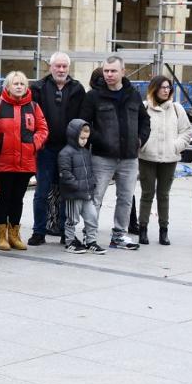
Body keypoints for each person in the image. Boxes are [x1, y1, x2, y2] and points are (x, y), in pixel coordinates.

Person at [79, 55, 149, 250]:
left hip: (129, 157)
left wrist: (140, 140)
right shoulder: (93, 96)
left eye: (113, 71)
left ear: (123, 72)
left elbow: (145, 120)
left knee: (126, 198)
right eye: (106, 71)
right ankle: (89, 236)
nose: (109, 75)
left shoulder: (133, 94)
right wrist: (99, 139)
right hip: (102, 157)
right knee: (96, 198)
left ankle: (119, 235)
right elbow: (84, 124)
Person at [0, 71, 48, 251]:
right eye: (15, 83)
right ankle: (1, 235)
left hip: (26, 161)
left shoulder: (34, 107)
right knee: (5, 196)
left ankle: (14, 234)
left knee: (18, 198)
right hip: (3, 160)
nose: (19, 86)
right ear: (8, 86)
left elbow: (43, 129)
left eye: (22, 83)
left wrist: (33, 145)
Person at [29, 52, 85, 246]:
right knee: (42, 191)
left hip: (69, 149)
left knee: (67, 192)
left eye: (64, 66)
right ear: (50, 67)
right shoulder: (38, 87)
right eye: (57, 66)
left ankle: (65, 231)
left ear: (68, 68)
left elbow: (82, 118)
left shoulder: (77, 89)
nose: (61, 70)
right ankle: (39, 231)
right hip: (45, 149)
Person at [137, 76, 192, 246]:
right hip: (147, 156)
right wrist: (142, 145)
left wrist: (176, 146)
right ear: (154, 89)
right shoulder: (144, 107)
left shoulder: (177, 109)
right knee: (147, 194)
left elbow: (186, 131)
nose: (166, 90)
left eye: (168, 87)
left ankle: (163, 230)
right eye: (162, 87)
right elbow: (137, 129)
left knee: (164, 195)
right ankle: (143, 229)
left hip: (170, 158)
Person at [58, 119, 100, 254]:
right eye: (81, 138)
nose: (84, 141)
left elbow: (90, 170)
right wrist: (77, 185)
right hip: (73, 194)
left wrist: (92, 183)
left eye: (86, 139)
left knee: (92, 217)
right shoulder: (65, 153)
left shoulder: (86, 152)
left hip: (87, 193)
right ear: (73, 135)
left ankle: (91, 241)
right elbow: (65, 174)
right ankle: (70, 241)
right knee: (72, 219)